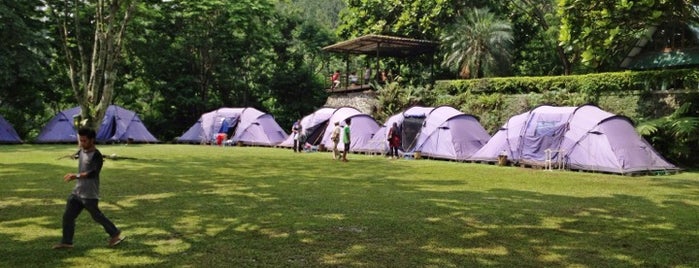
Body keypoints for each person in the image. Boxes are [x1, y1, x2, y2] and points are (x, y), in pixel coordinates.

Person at [53, 127, 124, 249]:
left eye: (84, 140)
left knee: (97, 216)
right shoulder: (81, 151)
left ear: (92, 140)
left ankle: (115, 234)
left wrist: (76, 176)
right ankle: (67, 242)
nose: (82, 143)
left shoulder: (97, 155)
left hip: (89, 194)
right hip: (77, 192)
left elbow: (93, 173)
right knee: (68, 216)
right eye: (80, 140)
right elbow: (78, 153)